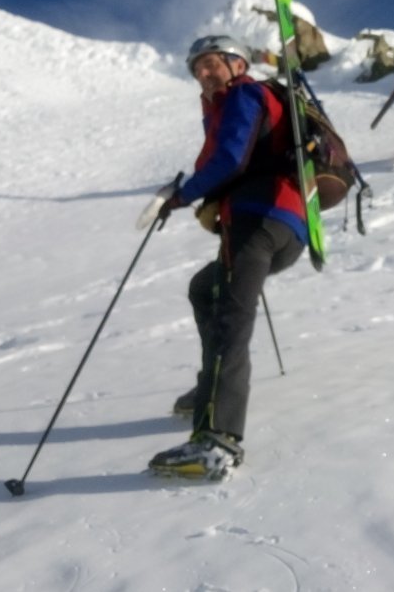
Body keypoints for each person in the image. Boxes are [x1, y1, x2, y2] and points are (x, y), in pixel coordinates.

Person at [147, 34, 309, 480]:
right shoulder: (241, 101)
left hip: (258, 222)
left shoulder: (245, 95)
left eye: (211, 64)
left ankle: (217, 441)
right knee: (206, 289)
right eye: (196, 68)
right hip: (284, 226)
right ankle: (210, 389)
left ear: (237, 64)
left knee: (230, 322)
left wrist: (179, 197)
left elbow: (230, 160)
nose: (202, 73)